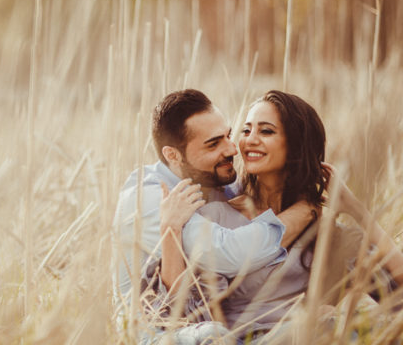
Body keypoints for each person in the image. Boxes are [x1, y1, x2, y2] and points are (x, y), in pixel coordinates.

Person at [160, 90, 403, 343]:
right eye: (246, 130)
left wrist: (355, 208)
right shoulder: (216, 217)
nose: (249, 140)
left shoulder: (322, 231)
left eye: (266, 131)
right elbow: (186, 314)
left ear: (296, 145)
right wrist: (170, 230)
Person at [113, 89, 318, 344]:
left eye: (228, 136)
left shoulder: (218, 183)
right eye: (213, 144)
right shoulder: (147, 199)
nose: (232, 149)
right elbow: (229, 254)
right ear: (172, 155)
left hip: (209, 325)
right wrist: (309, 208)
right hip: (152, 333)